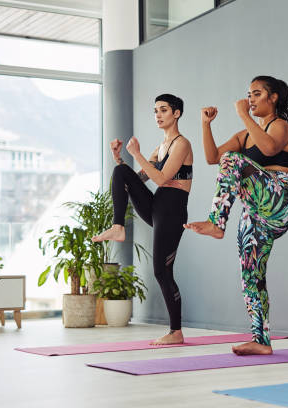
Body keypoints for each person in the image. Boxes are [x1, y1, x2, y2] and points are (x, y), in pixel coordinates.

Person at [184, 76, 288, 356]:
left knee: (234, 160)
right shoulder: (244, 135)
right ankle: (261, 340)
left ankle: (216, 222)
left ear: (273, 98)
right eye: (248, 94)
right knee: (251, 273)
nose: (250, 99)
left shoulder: (281, 126)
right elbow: (212, 157)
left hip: (279, 197)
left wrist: (242, 114)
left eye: (257, 94)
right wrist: (205, 124)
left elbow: (270, 148)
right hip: (255, 210)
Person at [93, 94, 193, 345]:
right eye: (155, 111)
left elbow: (161, 179)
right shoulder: (160, 147)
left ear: (176, 113)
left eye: (163, 110)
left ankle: (176, 332)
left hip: (173, 210)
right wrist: (119, 157)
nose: (158, 115)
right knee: (121, 172)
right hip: (157, 206)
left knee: (162, 271)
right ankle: (118, 226)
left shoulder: (182, 144)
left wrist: (136, 153)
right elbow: (140, 179)